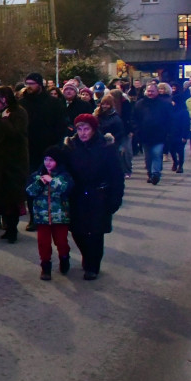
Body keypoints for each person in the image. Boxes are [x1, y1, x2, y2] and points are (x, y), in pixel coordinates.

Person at [61, 114, 125, 281]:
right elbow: (63, 169)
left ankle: (93, 266)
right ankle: (87, 255)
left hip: (100, 194)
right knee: (77, 230)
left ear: (94, 129)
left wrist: (115, 198)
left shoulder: (106, 146)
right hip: (77, 194)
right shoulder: (71, 146)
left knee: (96, 232)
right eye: (79, 129)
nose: (82, 133)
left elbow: (116, 175)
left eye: (86, 129)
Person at [20, 72, 67, 231]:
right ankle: (34, 218)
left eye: (32, 83)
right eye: (27, 83)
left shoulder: (54, 103)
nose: (29, 87)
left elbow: (61, 126)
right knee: (32, 184)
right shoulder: (23, 104)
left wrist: (56, 148)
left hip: (48, 150)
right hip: (29, 150)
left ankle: (52, 216)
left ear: (39, 84)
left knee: (50, 184)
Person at [0, 86, 29, 244]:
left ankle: (12, 228)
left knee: (13, 196)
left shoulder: (19, 113)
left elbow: (18, 135)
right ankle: (6, 225)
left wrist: (6, 120)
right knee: (1, 196)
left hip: (15, 162)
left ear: (3, 99)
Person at [25, 146, 73, 281]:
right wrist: (40, 182)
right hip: (42, 218)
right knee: (43, 243)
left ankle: (64, 257)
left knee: (61, 242)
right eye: (46, 159)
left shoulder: (64, 176)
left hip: (60, 217)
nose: (48, 163)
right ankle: (45, 267)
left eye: (51, 160)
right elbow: (29, 192)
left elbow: (66, 188)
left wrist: (52, 181)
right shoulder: (36, 176)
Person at [131, 80, 170, 184]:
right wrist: (136, 130)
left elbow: (169, 119)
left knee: (157, 154)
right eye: (149, 91)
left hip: (159, 135)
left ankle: (155, 173)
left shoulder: (164, 104)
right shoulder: (140, 104)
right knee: (148, 157)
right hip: (145, 136)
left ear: (157, 92)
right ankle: (149, 172)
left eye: (152, 91)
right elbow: (134, 119)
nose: (150, 93)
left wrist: (167, 132)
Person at [163, 83, 190, 173]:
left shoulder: (184, 112)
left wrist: (185, 136)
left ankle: (180, 165)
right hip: (171, 133)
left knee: (180, 150)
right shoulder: (170, 110)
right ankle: (175, 162)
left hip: (180, 134)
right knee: (172, 150)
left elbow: (186, 124)